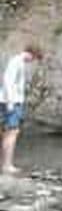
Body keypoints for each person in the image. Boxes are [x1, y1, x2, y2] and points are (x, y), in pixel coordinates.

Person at [0, 45, 43, 174]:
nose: (33, 62)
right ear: (31, 54)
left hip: (7, 101)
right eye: (34, 58)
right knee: (12, 133)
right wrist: (11, 102)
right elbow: (8, 81)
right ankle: (7, 165)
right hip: (12, 102)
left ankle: (4, 164)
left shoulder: (18, 62)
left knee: (5, 133)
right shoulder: (16, 62)